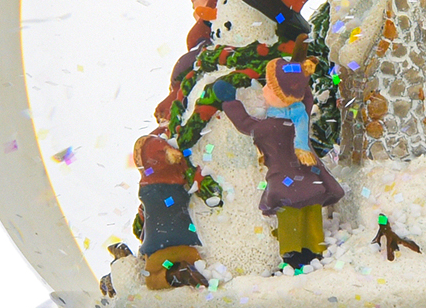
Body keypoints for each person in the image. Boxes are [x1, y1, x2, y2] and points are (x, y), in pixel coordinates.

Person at [213, 59, 342, 270]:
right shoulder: (300, 114)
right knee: (311, 208)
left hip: (284, 179)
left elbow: (245, 124)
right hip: (309, 175)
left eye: (270, 88)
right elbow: (307, 98)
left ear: (282, 97)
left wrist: (229, 101)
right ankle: (315, 247)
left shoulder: (268, 126)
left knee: (289, 213)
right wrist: (301, 78)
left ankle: (292, 254)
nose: (264, 90)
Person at [132, 95, 206, 289]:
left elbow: (154, 149)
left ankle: (179, 273)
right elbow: (153, 148)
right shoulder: (161, 138)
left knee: (154, 267)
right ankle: (181, 273)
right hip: (169, 197)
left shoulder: (163, 137)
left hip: (165, 200)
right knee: (166, 251)